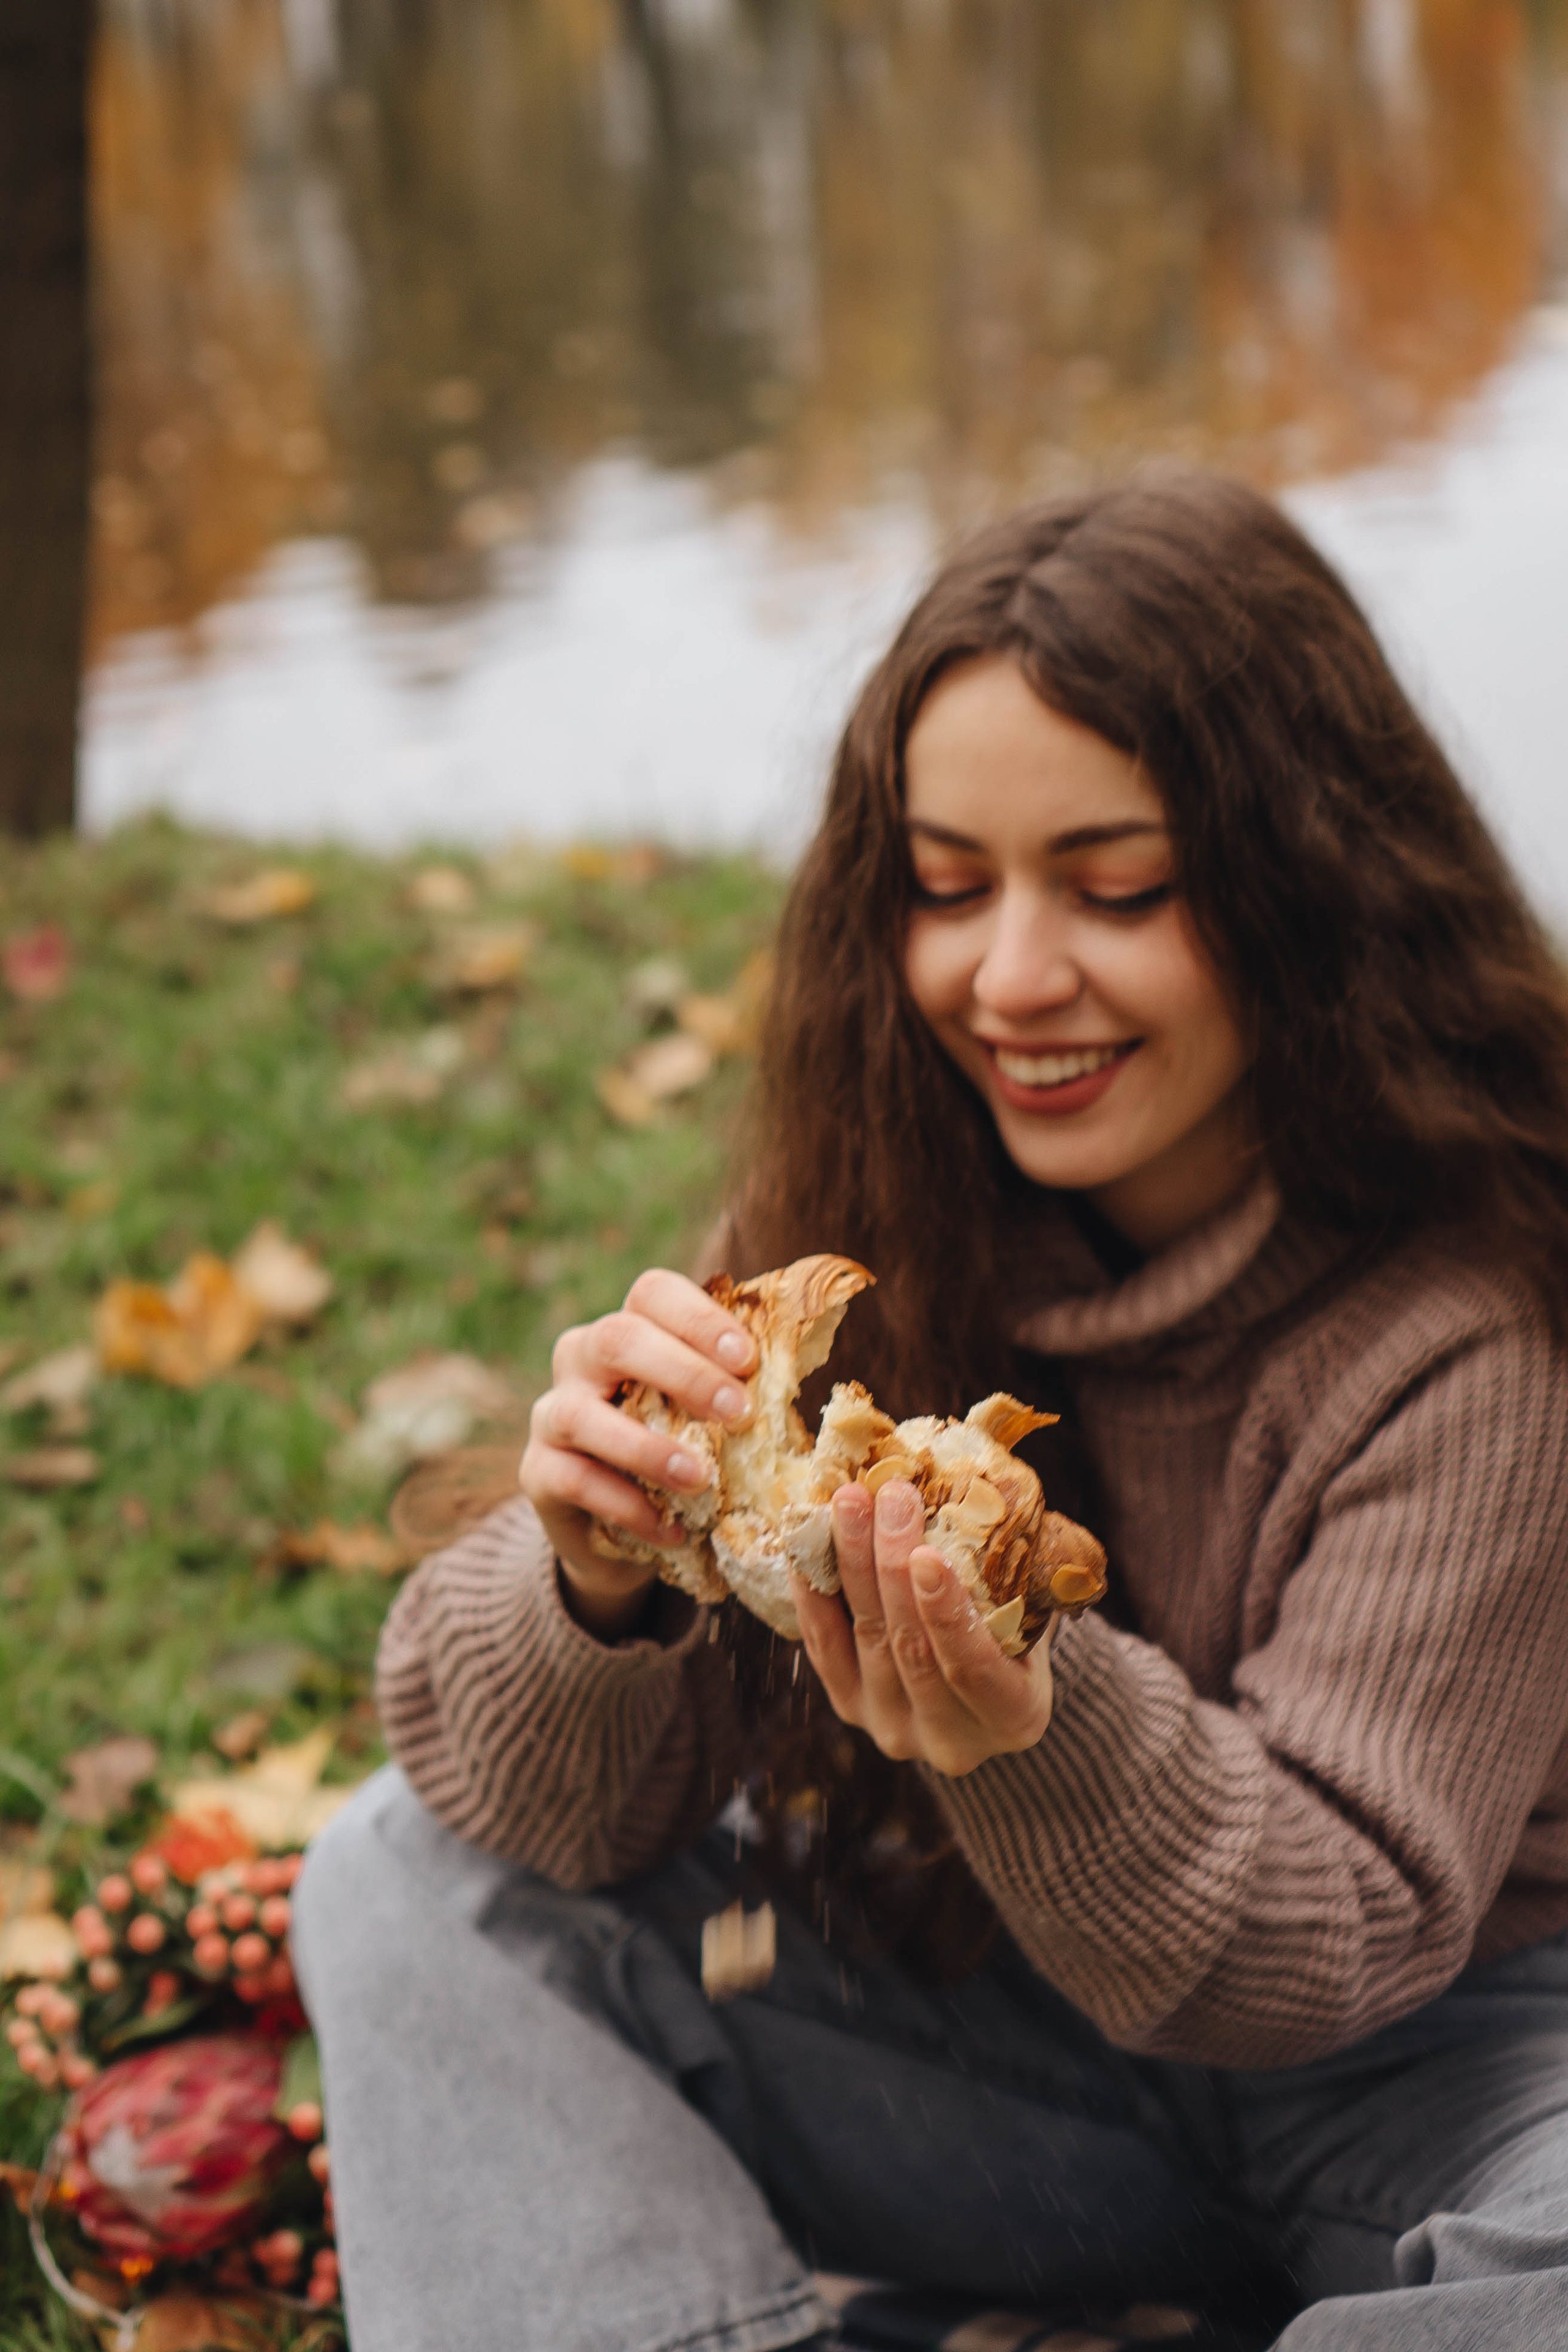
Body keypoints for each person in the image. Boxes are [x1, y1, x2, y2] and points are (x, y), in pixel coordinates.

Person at [293, 472, 1568, 2352]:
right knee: (401, 1876)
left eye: (1118, 887)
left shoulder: (1468, 1328)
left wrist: (1033, 1722)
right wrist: (592, 1588)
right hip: (1015, 2054)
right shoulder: (859, 1234)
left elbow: (1331, 1944)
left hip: (1447, 2077)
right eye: (948, 887)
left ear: (1312, 888)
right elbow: (540, 1815)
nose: (1013, 977)